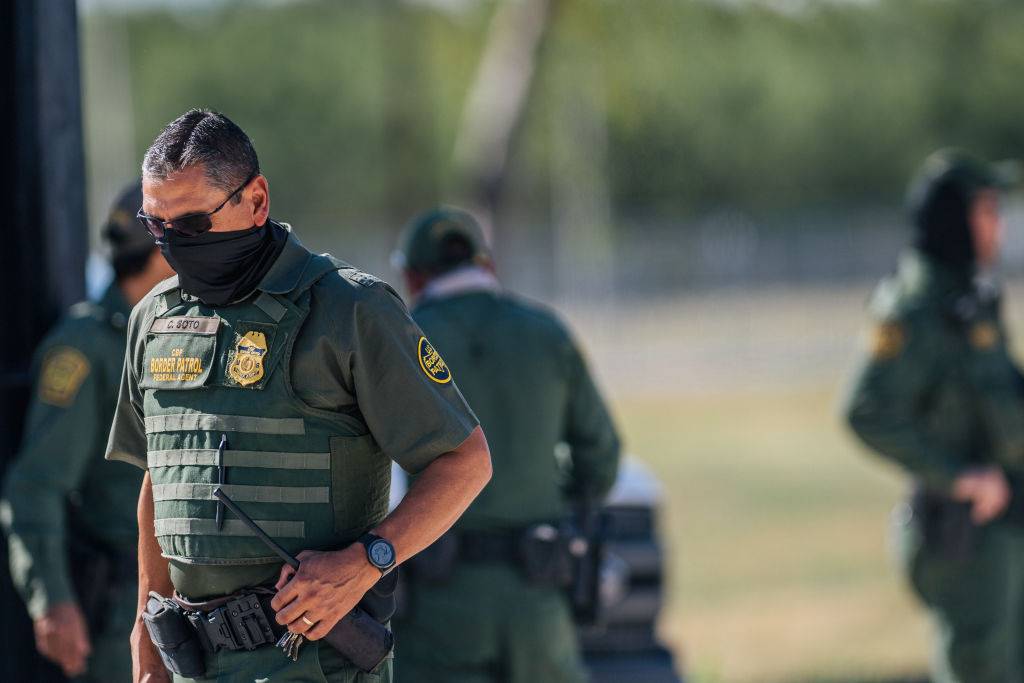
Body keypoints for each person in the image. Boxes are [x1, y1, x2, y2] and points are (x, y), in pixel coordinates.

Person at [105, 109, 491, 683]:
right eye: (156, 227)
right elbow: (160, 478)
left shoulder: (349, 309)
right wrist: (145, 624)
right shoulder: (153, 318)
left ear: (256, 201)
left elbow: (465, 462)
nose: (171, 246)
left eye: (191, 226)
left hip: (312, 661)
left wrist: (368, 562)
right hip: (193, 661)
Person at [390, 207, 621, 683]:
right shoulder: (548, 333)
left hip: (438, 603)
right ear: (487, 265)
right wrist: (543, 492)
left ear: (413, 276)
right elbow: (601, 457)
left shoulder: (400, 337)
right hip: (539, 593)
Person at [843, 149, 1024, 683]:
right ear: (954, 220)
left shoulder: (971, 299)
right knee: (982, 668)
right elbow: (864, 409)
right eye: (986, 212)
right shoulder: (913, 309)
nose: (999, 227)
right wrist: (960, 478)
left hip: (1007, 524)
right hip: (964, 534)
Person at [0, 181, 175, 682]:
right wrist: (52, 600)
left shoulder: (180, 330)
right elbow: (36, 484)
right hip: (121, 607)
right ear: (162, 254)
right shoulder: (86, 347)